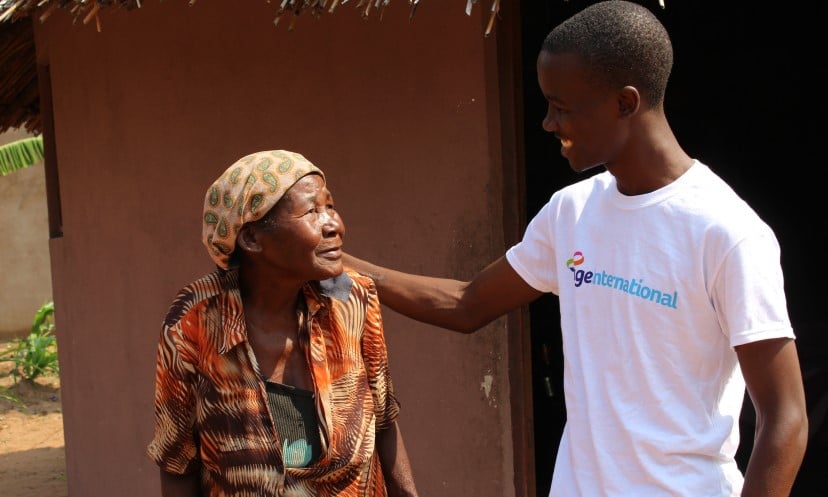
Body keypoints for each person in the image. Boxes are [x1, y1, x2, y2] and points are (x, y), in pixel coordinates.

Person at [342, 1, 808, 496]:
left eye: (561, 106)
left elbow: (786, 417)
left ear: (625, 103)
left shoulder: (726, 232)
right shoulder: (572, 213)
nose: (547, 122)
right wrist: (339, 265)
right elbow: (467, 304)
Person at [147, 150, 419, 497]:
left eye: (330, 207)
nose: (334, 225)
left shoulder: (352, 299)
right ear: (251, 239)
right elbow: (177, 464)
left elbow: (384, 424)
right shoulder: (195, 322)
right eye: (312, 211)